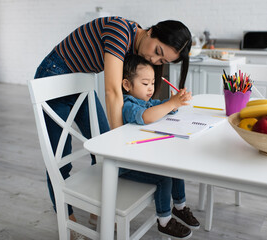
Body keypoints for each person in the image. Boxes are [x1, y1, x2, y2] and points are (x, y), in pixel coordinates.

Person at [34, 16, 192, 239]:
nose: (153, 58)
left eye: (160, 60)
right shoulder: (120, 31)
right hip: (54, 74)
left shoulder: (135, 45)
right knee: (59, 155)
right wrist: (120, 144)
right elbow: (113, 91)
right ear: (151, 31)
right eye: (157, 50)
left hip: (79, 80)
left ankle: (98, 211)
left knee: (101, 144)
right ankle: (65, 216)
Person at [120, 54, 198, 239]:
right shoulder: (128, 105)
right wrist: (171, 104)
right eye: (145, 83)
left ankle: (179, 206)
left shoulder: (145, 102)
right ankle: (164, 220)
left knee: (175, 167)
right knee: (164, 178)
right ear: (127, 85)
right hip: (126, 166)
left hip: (142, 156)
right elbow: (145, 116)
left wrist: (173, 103)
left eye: (153, 83)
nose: (151, 88)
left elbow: (158, 107)